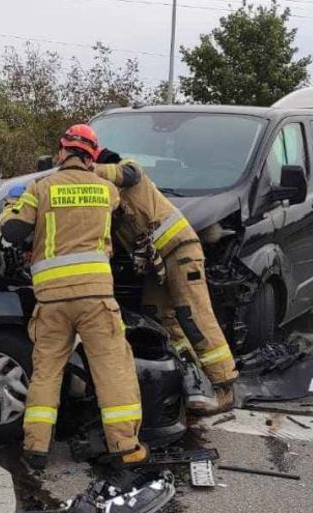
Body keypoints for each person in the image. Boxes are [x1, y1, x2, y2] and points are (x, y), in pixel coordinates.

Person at [0, 124, 147, 471]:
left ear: (62, 151)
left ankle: (36, 448)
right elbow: (122, 203)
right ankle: (125, 446)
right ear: (92, 156)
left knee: (47, 371)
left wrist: (12, 203)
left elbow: (12, 231)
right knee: (112, 369)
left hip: (51, 299)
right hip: (96, 297)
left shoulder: (41, 188)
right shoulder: (107, 190)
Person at [94, 147, 238, 415]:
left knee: (194, 316)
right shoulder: (110, 198)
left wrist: (87, 170)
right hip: (157, 264)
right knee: (158, 316)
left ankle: (225, 388)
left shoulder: (130, 169)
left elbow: (127, 173)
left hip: (179, 250)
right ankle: (192, 374)